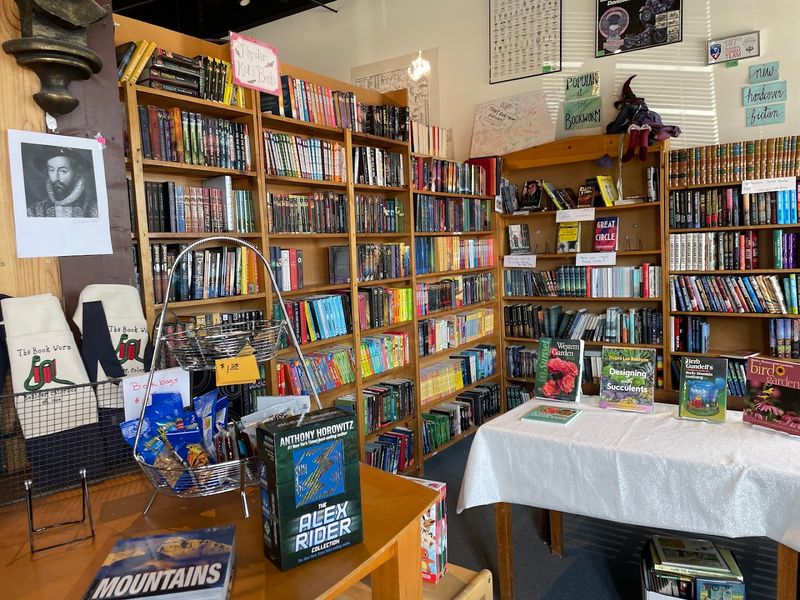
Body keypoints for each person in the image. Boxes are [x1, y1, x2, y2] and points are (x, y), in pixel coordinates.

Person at [27, 146, 98, 218]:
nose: (56, 178)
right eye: (52, 170)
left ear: (76, 173)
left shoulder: (94, 209)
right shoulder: (34, 211)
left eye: (63, 171)